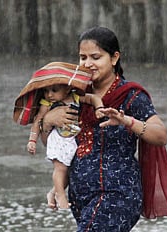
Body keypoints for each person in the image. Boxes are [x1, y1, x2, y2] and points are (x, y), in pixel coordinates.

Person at [40, 27, 167, 231]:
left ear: (114, 58)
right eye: (83, 57)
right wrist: (48, 121)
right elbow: (58, 144)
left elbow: (161, 135)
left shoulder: (130, 96)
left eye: (95, 57)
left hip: (118, 194)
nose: (88, 64)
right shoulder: (74, 95)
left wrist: (127, 122)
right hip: (82, 199)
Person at [13, 62, 104, 209]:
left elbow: (93, 98)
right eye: (46, 91)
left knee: (69, 170)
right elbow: (38, 121)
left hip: (72, 138)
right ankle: (61, 196)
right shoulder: (47, 104)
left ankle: (55, 192)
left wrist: (99, 108)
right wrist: (32, 140)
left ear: (68, 88)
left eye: (54, 90)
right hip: (58, 139)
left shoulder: (75, 97)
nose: (49, 95)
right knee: (60, 169)